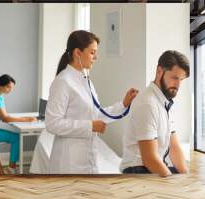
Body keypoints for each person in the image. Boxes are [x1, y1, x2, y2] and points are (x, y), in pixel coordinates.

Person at [45, 30, 138, 174]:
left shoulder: (85, 80)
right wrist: (90, 126)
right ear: (78, 53)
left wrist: (123, 104)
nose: (96, 57)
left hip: (87, 158)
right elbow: (52, 123)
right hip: (68, 163)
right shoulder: (63, 82)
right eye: (92, 52)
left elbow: (96, 114)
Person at [120, 50, 190, 177]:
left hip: (150, 166)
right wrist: (173, 183)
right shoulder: (147, 104)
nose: (178, 85)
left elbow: (173, 146)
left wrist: (186, 178)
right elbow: (149, 159)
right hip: (137, 170)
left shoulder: (164, 102)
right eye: (174, 78)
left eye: (181, 79)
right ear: (159, 71)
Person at [0, 74, 37, 171]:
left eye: (12, 88)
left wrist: (24, 118)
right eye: (8, 87)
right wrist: (26, 119)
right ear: (1, 86)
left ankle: (11, 166)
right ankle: (11, 167)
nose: (10, 90)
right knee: (17, 138)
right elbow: (5, 118)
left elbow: (4, 116)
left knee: (16, 136)